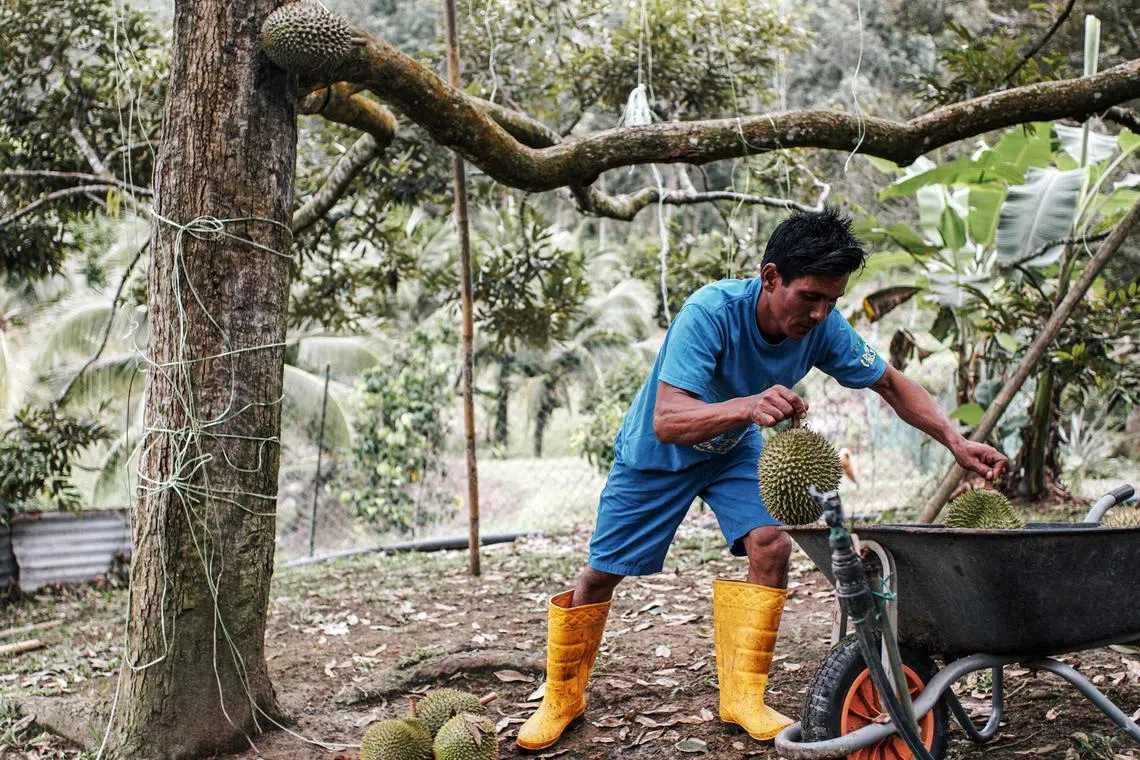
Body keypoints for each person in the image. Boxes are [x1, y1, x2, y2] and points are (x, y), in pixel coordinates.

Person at [515, 207, 1007, 751]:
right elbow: (668, 418)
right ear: (771, 277)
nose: (820, 314)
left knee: (771, 544)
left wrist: (955, 442)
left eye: (832, 301)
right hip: (659, 454)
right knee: (602, 575)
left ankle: (743, 697)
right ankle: (562, 695)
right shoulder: (710, 313)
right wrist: (747, 405)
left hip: (732, 450)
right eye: (809, 298)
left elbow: (890, 384)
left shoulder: (823, 329)